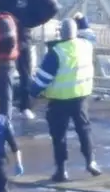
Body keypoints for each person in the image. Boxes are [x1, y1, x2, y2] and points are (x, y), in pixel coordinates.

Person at [30, 18, 101, 182]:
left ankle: (61, 170)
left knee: (59, 135)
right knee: (84, 130)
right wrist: (82, 20)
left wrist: (32, 94)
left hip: (59, 100)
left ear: (60, 33)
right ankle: (91, 161)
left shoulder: (56, 52)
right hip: (81, 97)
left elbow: (42, 79)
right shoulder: (86, 45)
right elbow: (90, 33)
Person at [0, 0, 58, 119]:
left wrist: (32, 22)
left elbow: (52, 7)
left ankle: (25, 106)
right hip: (3, 40)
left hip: (23, 39)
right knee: (1, 73)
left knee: (25, 73)